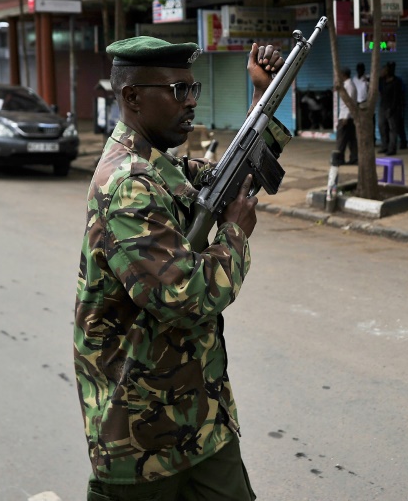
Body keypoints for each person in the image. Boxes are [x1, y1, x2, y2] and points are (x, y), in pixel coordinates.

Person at [73, 36, 290, 501]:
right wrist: (233, 233)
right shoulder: (128, 183)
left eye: (193, 89)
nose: (191, 101)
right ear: (132, 97)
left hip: (200, 422)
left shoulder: (157, 167)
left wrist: (264, 97)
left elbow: (235, 174)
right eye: (178, 91)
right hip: (142, 438)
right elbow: (184, 295)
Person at [377, 61, 403, 156]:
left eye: (384, 70)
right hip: (383, 106)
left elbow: (397, 97)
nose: (382, 71)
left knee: (393, 129)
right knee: (382, 126)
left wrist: (392, 109)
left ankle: (392, 149)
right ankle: (385, 146)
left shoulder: (396, 82)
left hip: (392, 108)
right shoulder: (382, 80)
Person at [335, 67, 358, 165]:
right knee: (351, 139)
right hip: (348, 116)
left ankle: (339, 159)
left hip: (346, 117)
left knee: (341, 138)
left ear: (343, 75)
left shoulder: (349, 86)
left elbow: (350, 102)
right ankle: (354, 158)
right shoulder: (347, 85)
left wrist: (346, 116)